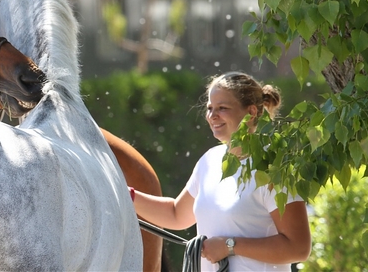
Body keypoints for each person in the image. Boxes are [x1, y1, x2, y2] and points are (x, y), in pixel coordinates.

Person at [131, 71, 311, 271]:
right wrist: (127, 195)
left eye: (222, 108)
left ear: (251, 112)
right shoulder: (209, 161)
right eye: (210, 108)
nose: (212, 116)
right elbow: (175, 214)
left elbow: (298, 247)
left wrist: (229, 246)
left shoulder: (274, 168)